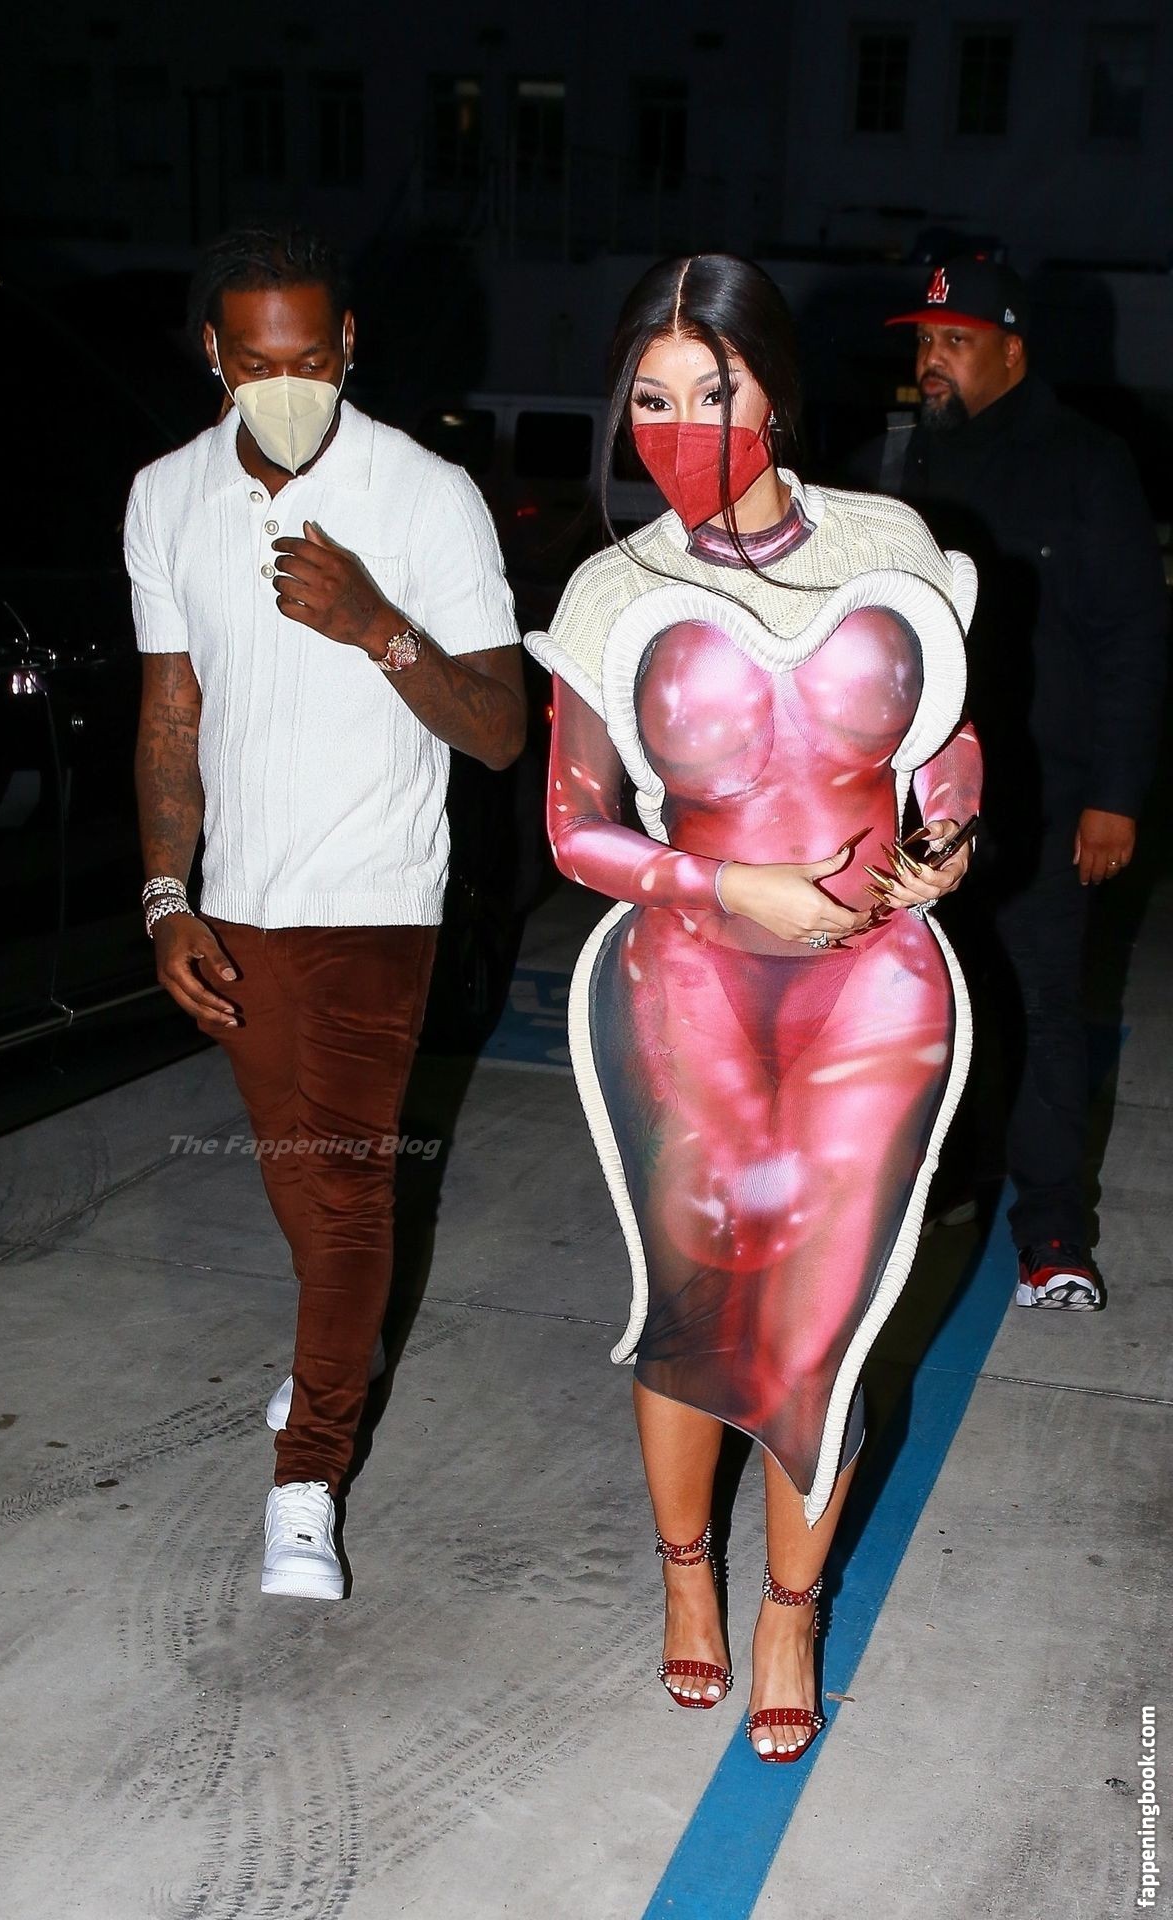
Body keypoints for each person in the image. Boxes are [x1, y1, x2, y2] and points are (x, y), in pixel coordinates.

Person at [527, 253, 982, 1760]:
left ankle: (790, 1604)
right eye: (649, 400)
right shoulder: (613, 587)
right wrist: (728, 888)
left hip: (875, 984)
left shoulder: (884, 543)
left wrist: (947, 835)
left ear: (773, 388)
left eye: (709, 391)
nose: (678, 427)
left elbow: (944, 738)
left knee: (824, 1318)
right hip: (686, 983)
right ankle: (684, 1576)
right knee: (694, 1299)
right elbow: (574, 828)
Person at [127, 227, 525, 1600]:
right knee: (299, 1176)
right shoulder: (166, 496)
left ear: (349, 346)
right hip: (239, 901)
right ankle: (337, 1351)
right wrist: (167, 896)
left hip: (374, 901)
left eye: (309, 358)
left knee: (347, 1187)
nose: (285, 385)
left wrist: (375, 624)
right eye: (256, 363)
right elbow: (170, 713)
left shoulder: (427, 496)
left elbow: (498, 732)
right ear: (214, 356)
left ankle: (307, 1474)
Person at [876, 255, 1169, 1309]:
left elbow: (1132, 637)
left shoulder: (1086, 462)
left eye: (953, 341)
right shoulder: (901, 461)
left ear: (1011, 351)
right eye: (923, 341)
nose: (932, 360)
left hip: (1043, 797)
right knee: (915, 1007)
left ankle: (1051, 1236)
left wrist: (1116, 796)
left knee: (1042, 1008)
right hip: (917, 802)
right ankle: (934, 1190)